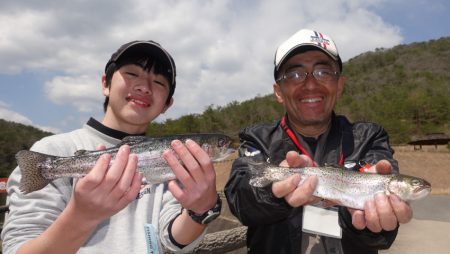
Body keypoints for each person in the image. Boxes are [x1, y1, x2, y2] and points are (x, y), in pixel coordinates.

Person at [1, 40, 222, 254]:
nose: (144, 87)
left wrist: (200, 211)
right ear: (105, 83)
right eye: (132, 74)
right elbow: (17, 248)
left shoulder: (173, 159)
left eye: (159, 82)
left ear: (167, 105)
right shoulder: (54, 150)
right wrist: (81, 216)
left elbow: (173, 239)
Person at [224, 29, 413, 254]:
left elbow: (381, 240)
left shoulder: (369, 137)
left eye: (323, 72)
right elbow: (240, 199)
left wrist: (373, 224)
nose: (311, 84)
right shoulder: (257, 138)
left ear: (339, 84)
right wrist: (274, 193)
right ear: (278, 92)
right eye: (295, 74)